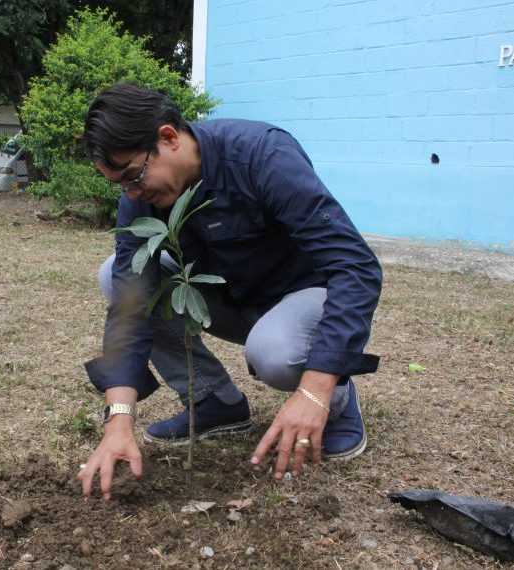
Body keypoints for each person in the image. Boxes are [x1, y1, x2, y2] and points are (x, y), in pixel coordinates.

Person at [77, 84, 383, 500]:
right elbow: (131, 304)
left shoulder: (261, 155)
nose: (132, 193)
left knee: (274, 351)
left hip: (300, 298)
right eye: (121, 185)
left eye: (134, 176)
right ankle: (214, 401)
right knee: (115, 275)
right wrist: (119, 419)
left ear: (168, 138)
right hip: (228, 299)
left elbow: (355, 266)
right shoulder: (141, 198)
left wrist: (315, 388)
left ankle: (336, 404)